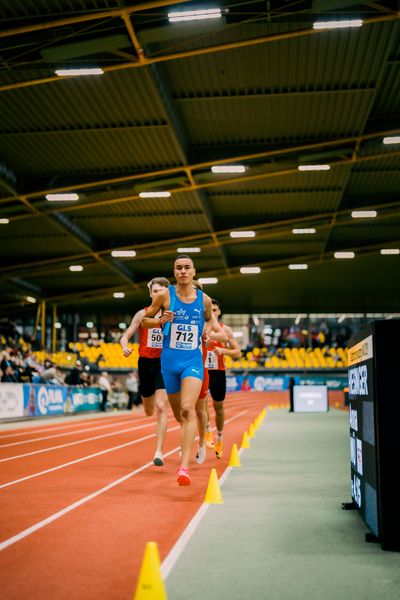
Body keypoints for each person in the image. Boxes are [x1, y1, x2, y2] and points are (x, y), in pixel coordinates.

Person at [142, 255, 214, 486]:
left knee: (187, 409)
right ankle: (188, 438)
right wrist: (161, 320)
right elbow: (145, 321)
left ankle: (184, 468)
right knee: (178, 416)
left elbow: (209, 320)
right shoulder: (165, 295)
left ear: (194, 272)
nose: (183, 271)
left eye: (187, 268)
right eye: (179, 268)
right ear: (175, 273)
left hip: (192, 361)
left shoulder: (204, 300)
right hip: (169, 363)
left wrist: (207, 333)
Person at [120, 277, 170, 467]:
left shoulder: (171, 314)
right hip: (145, 364)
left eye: (161, 291)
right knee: (149, 410)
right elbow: (125, 336)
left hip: (163, 363)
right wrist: (125, 347)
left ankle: (159, 452)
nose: (158, 294)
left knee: (161, 407)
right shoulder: (141, 314)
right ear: (150, 293)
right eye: (155, 291)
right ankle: (147, 404)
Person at [204, 299, 241, 458]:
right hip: (202, 369)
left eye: (215, 309)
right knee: (201, 403)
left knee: (218, 407)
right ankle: (206, 432)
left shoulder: (226, 330)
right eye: (209, 309)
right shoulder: (200, 326)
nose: (212, 312)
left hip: (218, 371)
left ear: (219, 312)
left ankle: (219, 437)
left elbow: (238, 353)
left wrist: (222, 351)